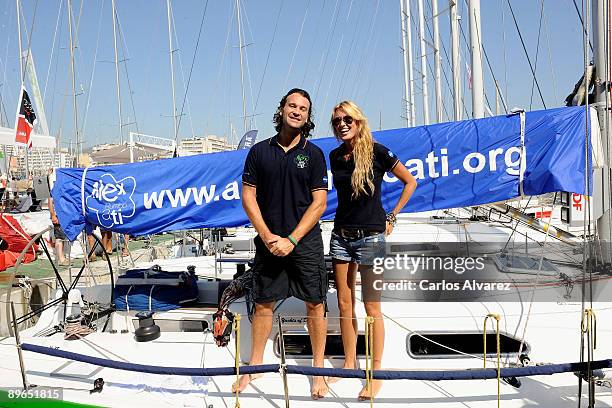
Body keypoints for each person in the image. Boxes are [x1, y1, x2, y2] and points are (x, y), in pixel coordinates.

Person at [233, 88, 329, 399]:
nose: (297, 111)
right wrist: (267, 236)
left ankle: (317, 371)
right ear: (282, 109)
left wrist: (291, 239)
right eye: (292, 105)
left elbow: (319, 203)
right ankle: (255, 365)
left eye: (303, 108)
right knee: (263, 304)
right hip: (269, 242)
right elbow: (248, 197)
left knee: (315, 303)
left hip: (305, 243)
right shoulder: (259, 152)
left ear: (308, 116)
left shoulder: (314, 155)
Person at [327, 101, 416, 400]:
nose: (342, 124)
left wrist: (392, 216)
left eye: (347, 119)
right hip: (340, 236)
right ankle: (350, 362)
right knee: (343, 303)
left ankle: (375, 372)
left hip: (371, 238)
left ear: (358, 120)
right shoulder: (335, 156)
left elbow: (410, 182)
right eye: (337, 120)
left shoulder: (378, 152)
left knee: (372, 307)